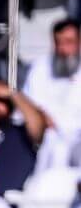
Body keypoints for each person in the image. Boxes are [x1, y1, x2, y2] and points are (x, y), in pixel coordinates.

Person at [21, 19, 81, 170]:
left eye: (69, 42)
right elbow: (30, 102)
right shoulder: (41, 67)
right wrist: (41, 116)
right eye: (58, 42)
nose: (63, 48)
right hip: (48, 134)